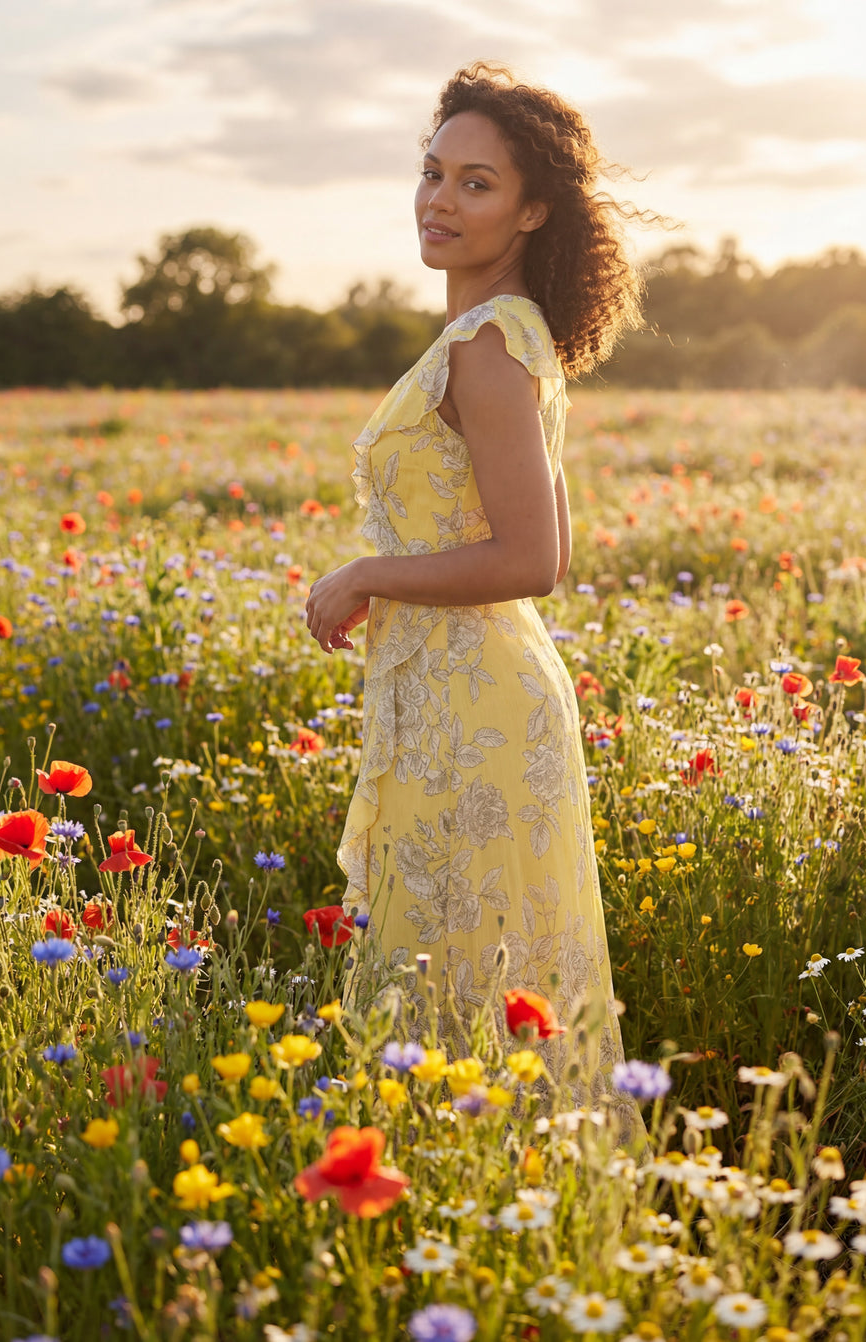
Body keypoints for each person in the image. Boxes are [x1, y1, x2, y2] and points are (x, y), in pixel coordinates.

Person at [305, 63, 643, 1126]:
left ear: (532, 209)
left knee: (466, 979)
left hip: (476, 708)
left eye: (477, 184)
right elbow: (550, 537)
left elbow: (534, 559)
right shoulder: (510, 337)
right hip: (468, 691)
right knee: (471, 978)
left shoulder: (490, 350)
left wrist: (367, 574)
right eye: (433, 172)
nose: (440, 200)